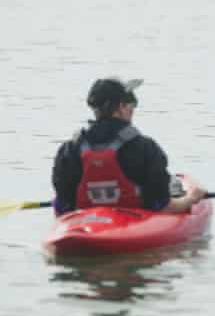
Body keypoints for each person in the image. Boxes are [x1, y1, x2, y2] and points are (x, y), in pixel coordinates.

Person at [52, 77, 206, 215]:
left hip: (86, 226)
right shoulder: (145, 148)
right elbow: (161, 206)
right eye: (131, 101)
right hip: (133, 225)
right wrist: (191, 199)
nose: (134, 107)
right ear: (120, 107)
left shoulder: (69, 150)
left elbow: (62, 208)